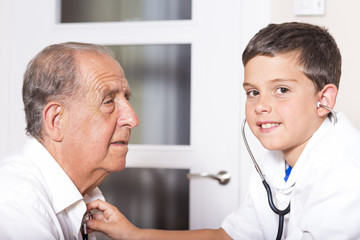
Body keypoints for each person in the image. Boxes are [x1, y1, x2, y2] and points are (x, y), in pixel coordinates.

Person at [85, 22, 360, 239]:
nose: (261, 106)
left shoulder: (343, 172)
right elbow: (228, 237)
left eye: (282, 90)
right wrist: (134, 234)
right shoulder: (278, 159)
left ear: (324, 100)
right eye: (253, 92)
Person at [0, 42, 139, 239]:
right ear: (56, 120)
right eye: (108, 101)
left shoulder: (82, 197)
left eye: (126, 98)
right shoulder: (17, 203)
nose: (133, 119)